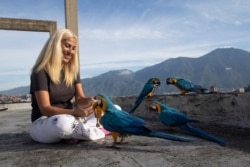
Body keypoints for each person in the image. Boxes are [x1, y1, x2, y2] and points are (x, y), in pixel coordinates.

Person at [29, 28, 106, 144]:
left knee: (109, 110)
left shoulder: (72, 71)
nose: (71, 51)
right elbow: (45, 109)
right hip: (46, 122)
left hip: (71, 118)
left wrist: (91, 102)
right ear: (56, 45)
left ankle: (76, 133)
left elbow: (80, 99)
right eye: (67, 46)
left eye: (74, 48)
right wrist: (75, 113)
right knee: (63, 124)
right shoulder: (40, 71)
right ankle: (97, 132)